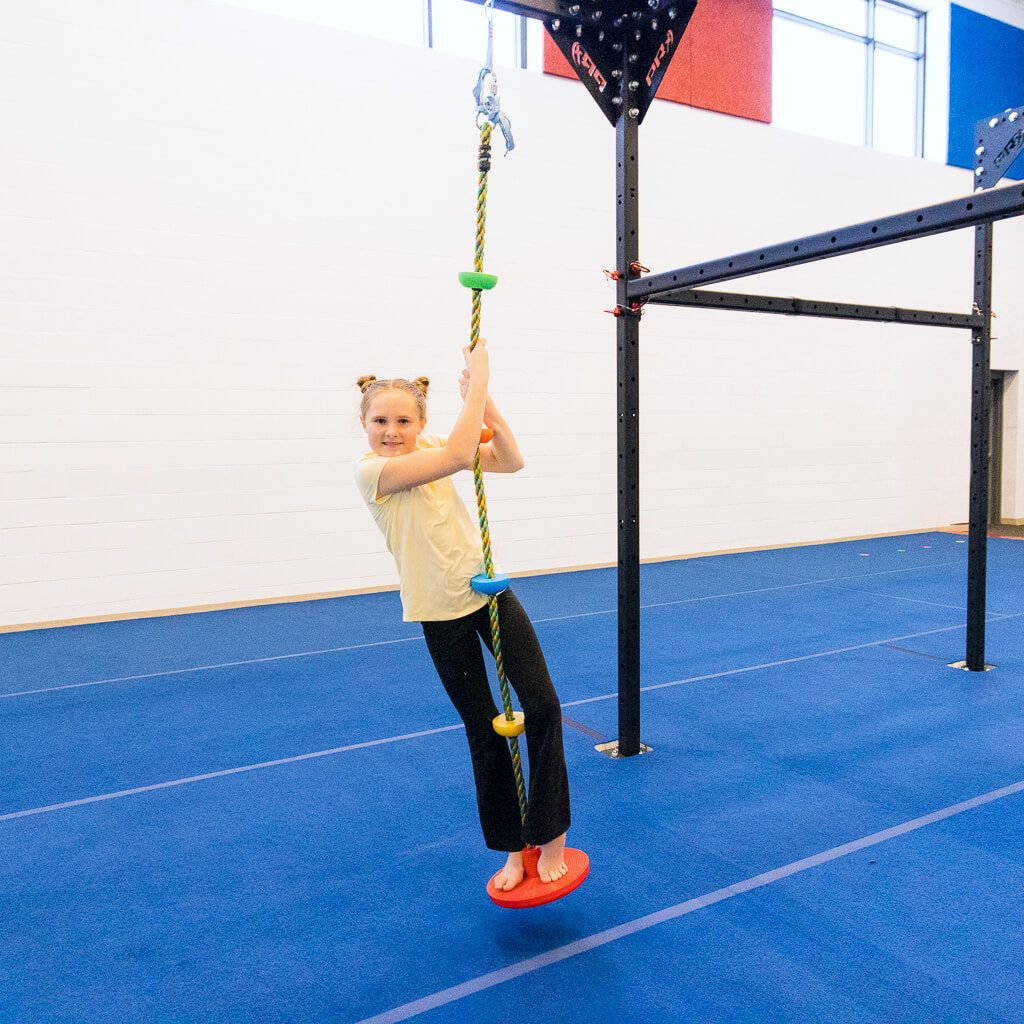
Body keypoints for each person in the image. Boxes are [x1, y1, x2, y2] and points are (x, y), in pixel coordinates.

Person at [353, 339, 571, 892]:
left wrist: (485, 397)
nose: (393, 431)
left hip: (489, 595)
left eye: (404, 419)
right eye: (381, 420)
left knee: (542, 704)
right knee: (484, 728)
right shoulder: (373, 472)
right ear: (364, 422)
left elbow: (509, 460)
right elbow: (453, 456)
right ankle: (512, 851)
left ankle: (551, 836)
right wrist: (479, 377)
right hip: (438, 612)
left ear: (421, 418)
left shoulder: (432, 443)